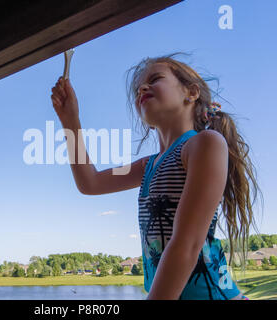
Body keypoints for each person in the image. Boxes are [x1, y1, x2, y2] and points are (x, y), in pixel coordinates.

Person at [50, 52, 263, 300]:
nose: (142, 87)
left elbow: (187, 243)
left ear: (191, 93)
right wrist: (70, 120)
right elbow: (90, 182)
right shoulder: (146, 166)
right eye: (139, 87)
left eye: (155, 79)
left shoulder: (204, 144)